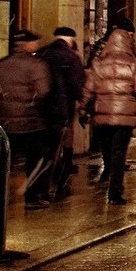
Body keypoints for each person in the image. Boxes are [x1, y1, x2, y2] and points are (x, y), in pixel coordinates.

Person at [83, 16, 136, 204]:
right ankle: (115, 192)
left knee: (107, 148)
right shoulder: (132, 64)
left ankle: (107, 172)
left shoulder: (99, 63)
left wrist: (82, 108)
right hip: (124, 117)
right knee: (119, 153)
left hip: (102, 115)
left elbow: (88, 88)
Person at [0, 29, 53, 209]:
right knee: (37, 160)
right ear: (28, 44)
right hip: (32, 122)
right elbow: (44, 91)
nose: (37, 45)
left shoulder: (0, 64)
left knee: (5, 162)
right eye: (35, 42)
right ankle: (33, 197)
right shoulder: (36, 65)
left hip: (7, 122)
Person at [35, 26, 88, 202]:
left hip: (42, 109)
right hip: (63, 109)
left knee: (45, 149)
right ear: (70, 40)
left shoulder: (42, 54)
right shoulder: (71, 57)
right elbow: (77, 85)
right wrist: (83, 103)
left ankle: (41, 186)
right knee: (59, 148)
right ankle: (58, 184)